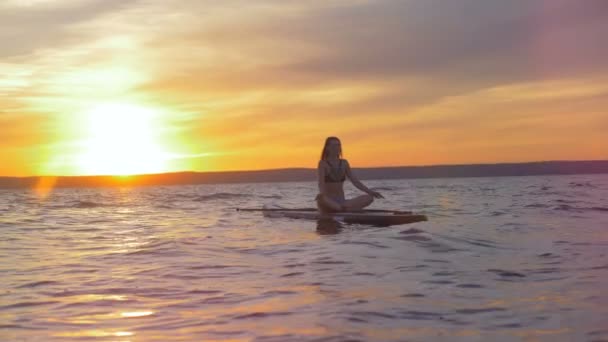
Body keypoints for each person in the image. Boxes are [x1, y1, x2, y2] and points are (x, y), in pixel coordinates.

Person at [316, 136, 383, 213]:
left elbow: (355, 181)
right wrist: (323, 196)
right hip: (329, 202)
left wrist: (371, 192)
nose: (337, 148)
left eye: (338, 145)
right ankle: (345, 209)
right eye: (334, 145)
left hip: (342, 202)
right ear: (327, 148)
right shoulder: (323, 163)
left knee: (369, 198)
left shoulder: (344, 163)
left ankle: (343, 209)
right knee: (321, 198)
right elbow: (321, 183)